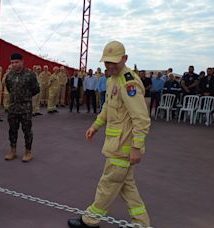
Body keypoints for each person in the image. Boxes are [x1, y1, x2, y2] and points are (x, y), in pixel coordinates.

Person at [68, 41, 151, 227]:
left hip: (124, 146)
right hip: (116, 143)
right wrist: (95, 126)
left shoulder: (129, 83)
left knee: (108, 184)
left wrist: (137, 147)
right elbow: (108, 107)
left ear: (125, 59)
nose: (110, 66)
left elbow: (141, 119)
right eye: (107, 62)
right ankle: (141, 223)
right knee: (127, 186)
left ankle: (90, 220)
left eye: (114, 62)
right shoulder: (113, 79)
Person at [3, 53, 39, 162]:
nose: (14, 64)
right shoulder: (9, 75)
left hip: (25, 108)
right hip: (13, 107)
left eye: (16, 62)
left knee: (27, 130)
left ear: (22, 62)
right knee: (12, 130)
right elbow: (9, 89)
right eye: (12, 62)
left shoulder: (30, 74)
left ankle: (28, 152)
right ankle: (12, 150)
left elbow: (36, 89)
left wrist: (25, 97)